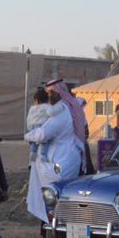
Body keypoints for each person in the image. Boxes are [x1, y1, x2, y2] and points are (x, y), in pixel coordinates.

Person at [24, 80, 85, 223]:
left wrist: (27, 136)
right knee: (60, 201)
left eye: (52, 93)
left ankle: (52, 224)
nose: (49, 96)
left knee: (51, 197)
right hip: (67, 161)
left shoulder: (61, 111)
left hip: (60, 165)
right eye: (48, 93)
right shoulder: (65, 109)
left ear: (60, 93)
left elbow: (43, 134)